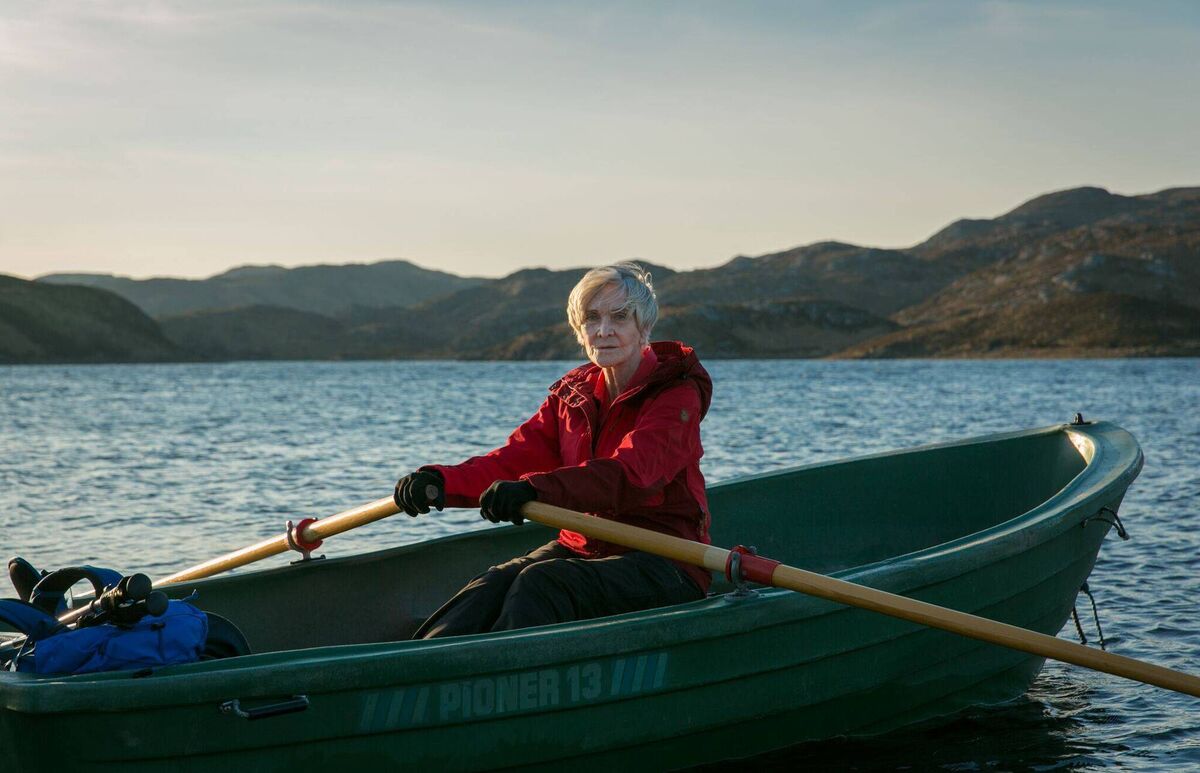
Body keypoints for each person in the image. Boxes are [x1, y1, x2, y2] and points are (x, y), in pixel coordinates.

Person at [394, 262, 713, 638]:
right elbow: (514, 459)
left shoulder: (676, 394)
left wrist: (534, 490)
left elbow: (629, 474)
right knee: (491, 586)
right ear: (580, 331)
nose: (604, 330)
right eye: (592, 318)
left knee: (542, 584)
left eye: (620, 317)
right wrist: (440, 482)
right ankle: (422, 672)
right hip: (585, 547)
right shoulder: (573, 397)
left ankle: (506, 683)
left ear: (644, 327)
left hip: (666, 561)